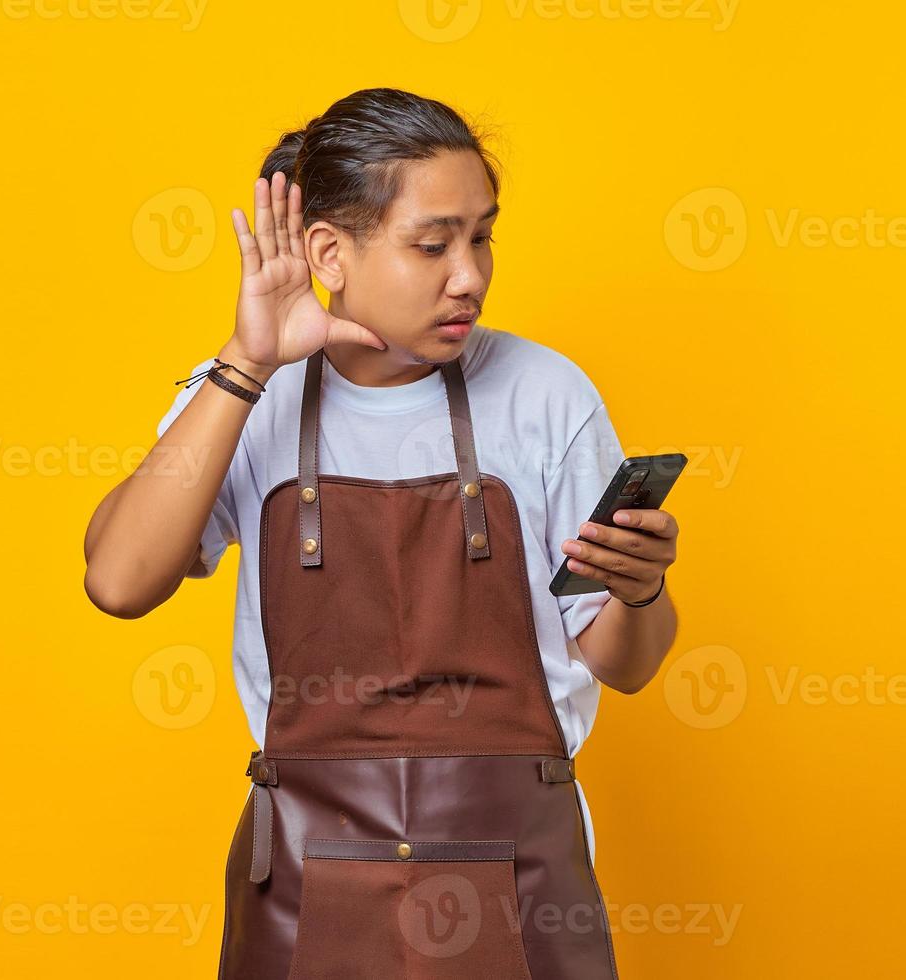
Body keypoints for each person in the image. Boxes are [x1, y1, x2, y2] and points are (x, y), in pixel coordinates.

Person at [83, 87, 679, 979]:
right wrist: (246, 364)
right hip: (306, 875)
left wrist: (641, 590)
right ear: (329, 251)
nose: (468, 274)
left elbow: (624, 664)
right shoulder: (251, 399)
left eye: (482, 236)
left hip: (520, 870)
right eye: (431, 244)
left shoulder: (546, 393)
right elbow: (119, 581)